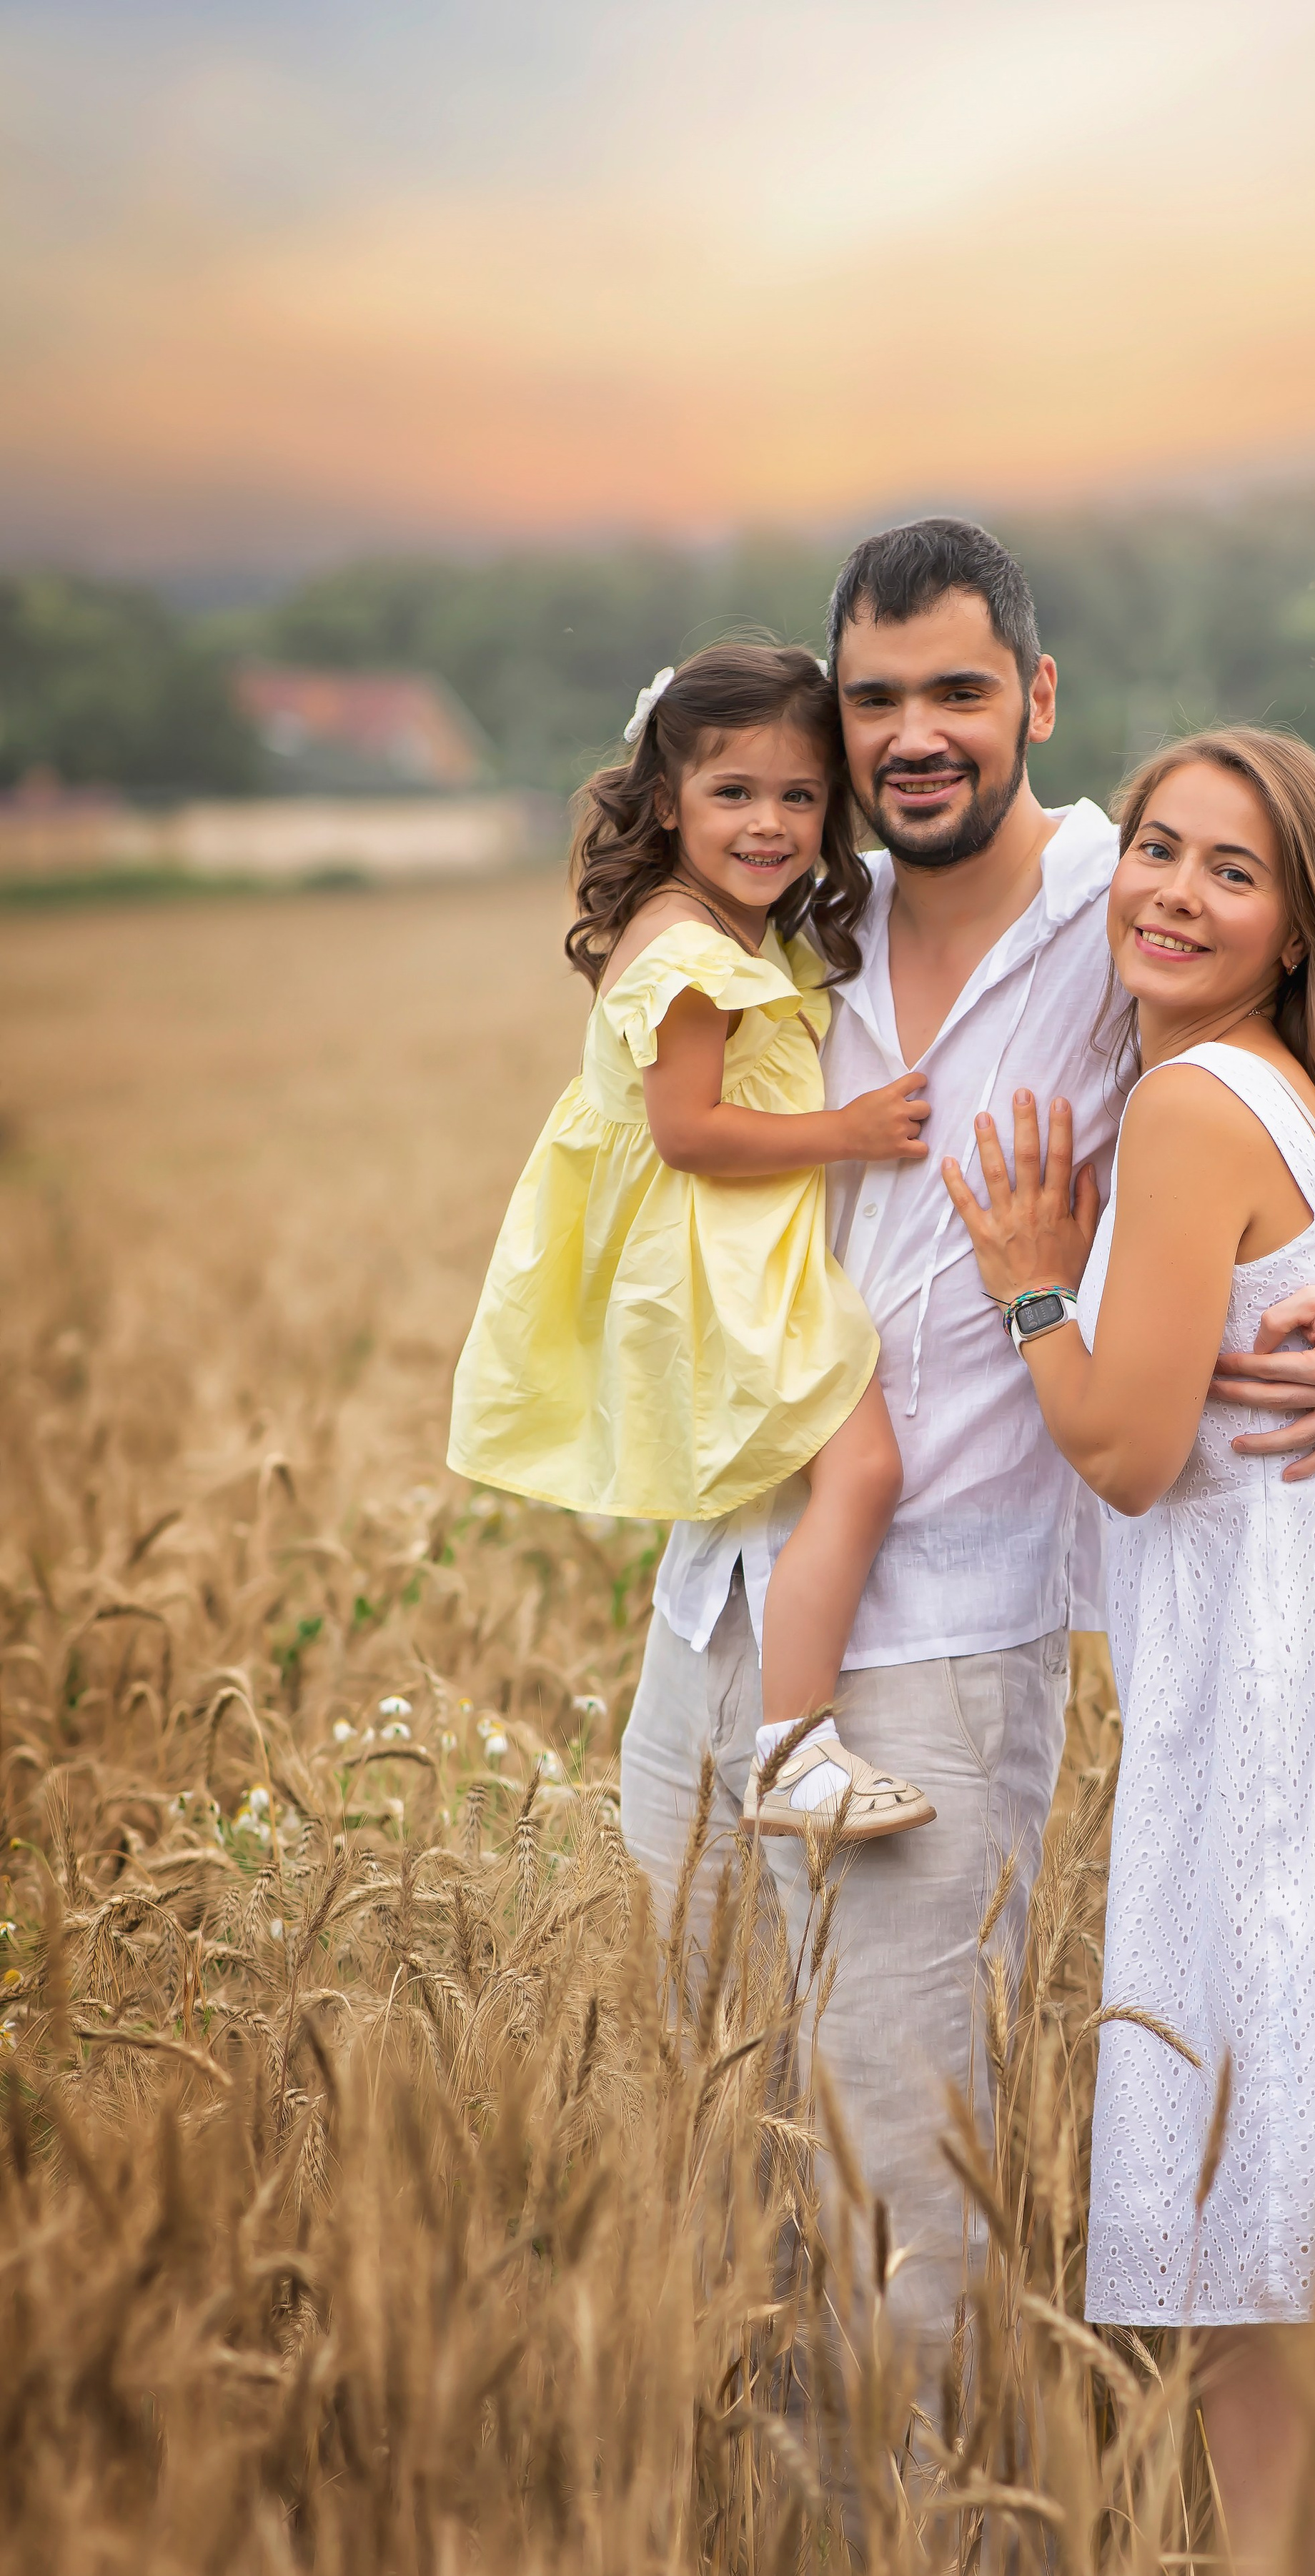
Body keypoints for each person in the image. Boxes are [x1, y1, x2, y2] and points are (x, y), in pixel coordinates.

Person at [618, 522, 1315, 2401]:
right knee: (710, 2173)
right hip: (716, 1602)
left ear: (1034, 694)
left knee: (899, 2211)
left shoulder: (1133, 901)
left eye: (957, 689)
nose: (914, 734)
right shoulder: (793, 901)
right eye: (874, 699)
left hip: (945, 1634)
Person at [941, 723, 1315, 2576]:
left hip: (1278, 1736)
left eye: (1230, 871)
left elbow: (1118, 1441)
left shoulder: (1196, 1107)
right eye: (1158, 849)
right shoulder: (1309, 1085)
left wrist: (1032, 1271)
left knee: (1260, 2291)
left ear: (1296, 927)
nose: (1174, 893)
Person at [447, 642, 941, 1836]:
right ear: (667, 800)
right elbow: (685, 1132)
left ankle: (786, 1738)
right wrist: (850, 1131)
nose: (770, 825)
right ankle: (796, 1751)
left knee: (842, 1472)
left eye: (799, 796)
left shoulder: (710, 921)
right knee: (865, 1470)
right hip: (716, 1264)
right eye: (734, 794)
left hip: (725, 1249)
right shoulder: (685, 955)